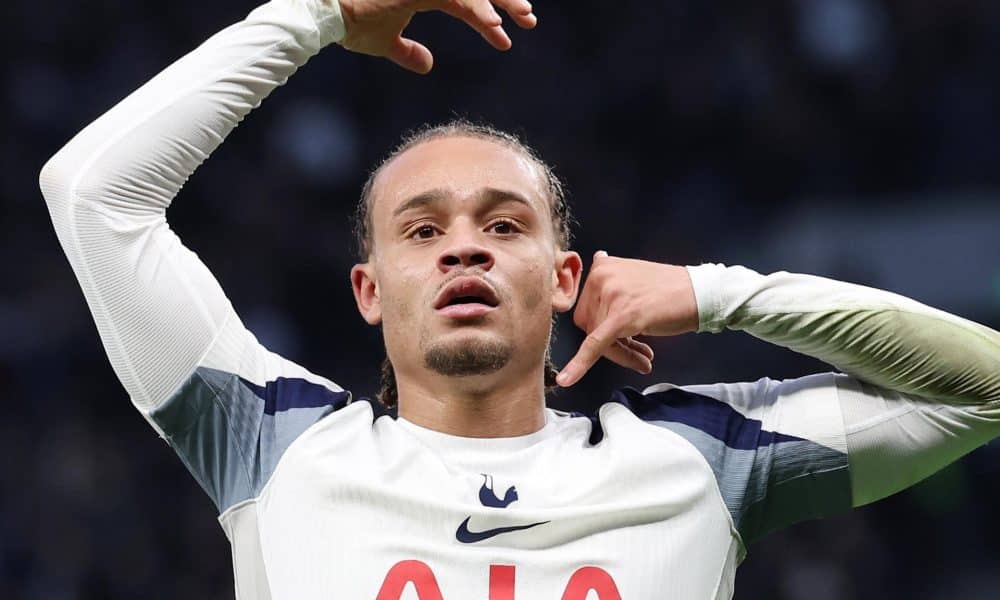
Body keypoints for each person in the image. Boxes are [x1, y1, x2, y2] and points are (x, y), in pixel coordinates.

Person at [39, 0, 1000, 598]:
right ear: (369, 292)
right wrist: (317, 14)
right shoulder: (266, 439)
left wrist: (722, 295)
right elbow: (91, 195)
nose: (463, 243)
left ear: (565, 280)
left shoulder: (700, 462)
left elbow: (986, 388)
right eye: (422, 229)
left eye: (504, 225)